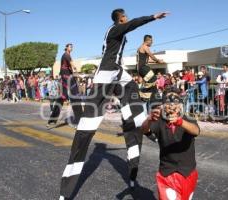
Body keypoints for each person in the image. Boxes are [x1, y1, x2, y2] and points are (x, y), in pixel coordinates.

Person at [59, 9, 169, 200]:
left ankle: (140, 128)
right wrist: (152, 17)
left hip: (118, 73)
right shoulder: (115, 29)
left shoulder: (116, 31)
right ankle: (66, 190)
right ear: (121, 18)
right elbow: (133, 24)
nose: (126, 18)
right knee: (87, 126)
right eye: (125, 16)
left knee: (133, 101)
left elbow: (108, 151)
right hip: (106, 75)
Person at [141, 87, 200, 200]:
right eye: (168, 102)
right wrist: (148, 119)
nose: (172, 106)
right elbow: (144, 130)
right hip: (167, 173)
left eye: (176, 102)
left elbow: (196, 131)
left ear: (180, 105)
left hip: (188, 172)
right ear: (163, 105)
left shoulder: (188, 119)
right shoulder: (158, 121)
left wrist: (180, 122)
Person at [47, 43, 83, 128]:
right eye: (70, 47)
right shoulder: (66, 55)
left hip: (66, 79)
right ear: (66, 48)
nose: (71, 48)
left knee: (62, 99)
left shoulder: (65, 55)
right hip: (68, 80)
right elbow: (72, 65)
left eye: (72, 47)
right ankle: (79, 121)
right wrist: (77, 72)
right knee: (75, 98)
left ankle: (52, 121)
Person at [137, 34, 164, 109]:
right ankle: (141, 94)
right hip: (142, 67)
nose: (152, 43)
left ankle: (156, 102)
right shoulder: (144, 47)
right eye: (151, 41)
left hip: (142, 67)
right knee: (154, 79)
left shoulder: (141, 48)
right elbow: (151, 55)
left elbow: (148, 60)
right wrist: (158, 60)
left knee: (153, 86)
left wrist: (157, 62)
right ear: (148, 40)